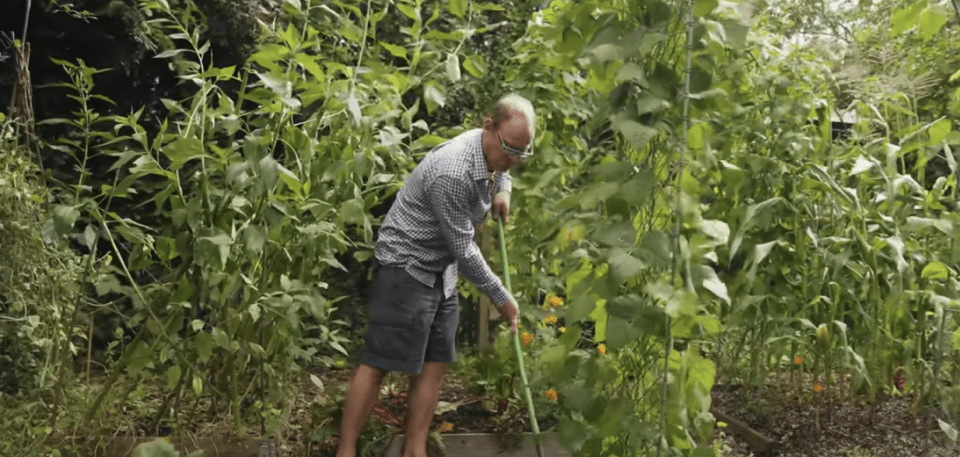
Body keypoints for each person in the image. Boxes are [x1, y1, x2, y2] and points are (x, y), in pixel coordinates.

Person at [335, 93, 536, 457]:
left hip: (442, 272)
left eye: (524, 152)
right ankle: (345, 451)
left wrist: (503, 190)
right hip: (407, 267)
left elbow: (502, 168)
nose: (515, 159)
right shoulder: (453, 170)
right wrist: (501, 296)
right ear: (486, 126)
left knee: (434, 365)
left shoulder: (495, 154)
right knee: (379, 362)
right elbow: (464, 247)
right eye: (510, 149)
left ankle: (416, 450)